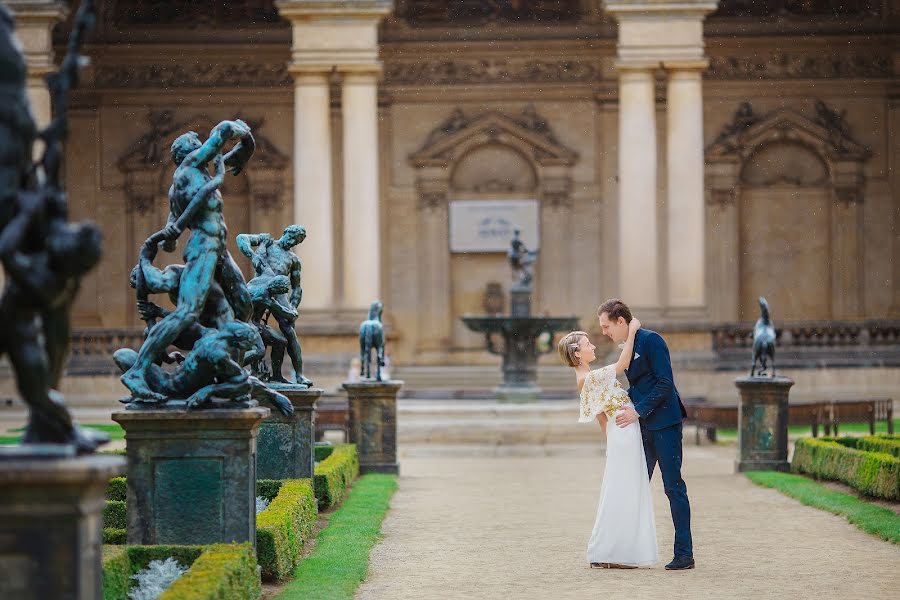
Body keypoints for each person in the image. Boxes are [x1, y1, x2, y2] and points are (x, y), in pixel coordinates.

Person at [597, 298, 694, 571]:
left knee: (673, 487)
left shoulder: (652, 341)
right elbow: (639, 386)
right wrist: (618, 402)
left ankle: (685, 554)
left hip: (665, 424)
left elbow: (665, 383)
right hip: (643, 427)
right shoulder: (626, 346)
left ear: (621, 321)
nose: (604, 332)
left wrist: (636, 411)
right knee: (634, 487)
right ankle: (624, 552)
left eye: (607, 326)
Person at [559, 317, 658, 569]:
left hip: (621, 434)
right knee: (622, 490)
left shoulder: (589, 377)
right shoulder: (587, 378)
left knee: (623, 489)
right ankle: (610, 552)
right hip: (624, 433)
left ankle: (614, 551)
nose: (593, 346)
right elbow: (624, 363)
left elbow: (601, 417)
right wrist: (633, 330)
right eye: (587, 344)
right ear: (577, 353)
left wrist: (611, 442)